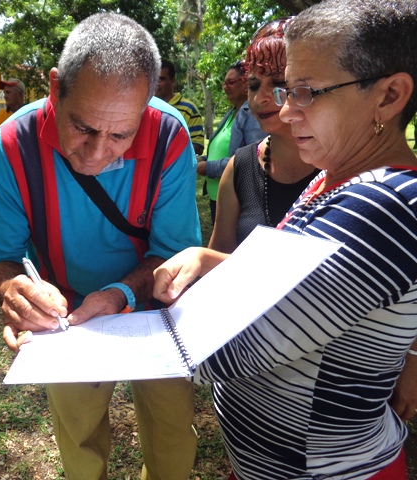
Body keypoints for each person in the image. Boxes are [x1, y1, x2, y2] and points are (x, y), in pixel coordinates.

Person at [154, 1, 417, 478]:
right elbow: (279, 287)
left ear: (389, 96)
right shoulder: (331, 179)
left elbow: (233, 350)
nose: (284, 110)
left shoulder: (384, 204)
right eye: (283, 89)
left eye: (305, 92)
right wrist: (214, 263)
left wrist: (106, 331)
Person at [0, 12, 202, 480]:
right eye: (83, 128)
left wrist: (120, 294)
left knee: (173, 433)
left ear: (147, 105)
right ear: (56, 87)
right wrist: (14, 291)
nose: (98, 154)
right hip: (66, 320)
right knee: (78, 441)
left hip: (155, 310)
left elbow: (175, 251)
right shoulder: (12, 144)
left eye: (120, 134)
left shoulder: (169, 135)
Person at [208, 18, 319, 254]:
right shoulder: (240, 167)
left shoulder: (344, 163)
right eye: (254, 85)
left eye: (279, 83)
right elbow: (217, 261)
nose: (261, 99)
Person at [197, 61, 266, 224]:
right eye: (224, 83)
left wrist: (209, 168)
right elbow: (224, 150)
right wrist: (204, 160)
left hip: (237, 201)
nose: (225, 87)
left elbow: (253, 157)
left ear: (246, 84)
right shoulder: (231, 114)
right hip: (219, 198)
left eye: (231, 82)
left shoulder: (251, 114)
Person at [155, 60, 205, 154]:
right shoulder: (144, 108)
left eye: (161, 79)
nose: (156, 83)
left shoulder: (189, 109)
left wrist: (164, 154)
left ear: (172, 81)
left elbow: (198, 146)